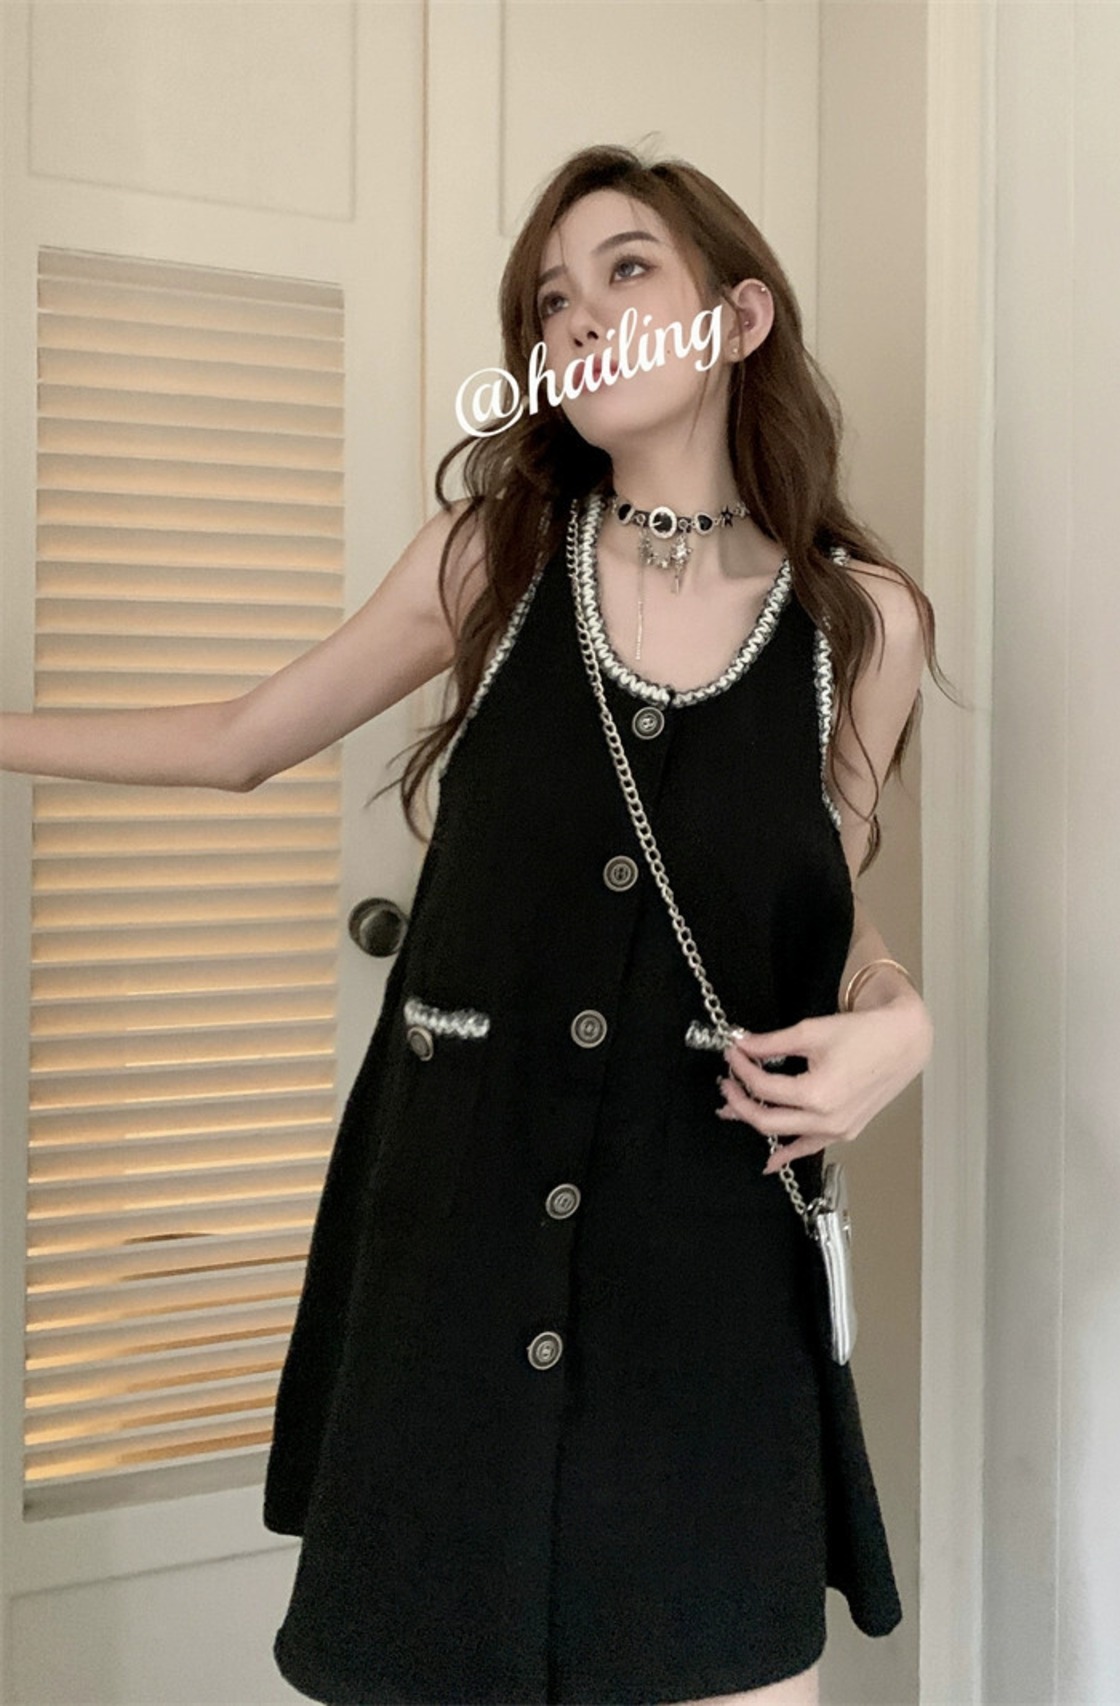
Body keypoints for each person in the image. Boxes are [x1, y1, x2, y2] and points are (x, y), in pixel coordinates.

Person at [1, 145, 955, 1706]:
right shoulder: (490, 563)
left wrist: (901, 1018)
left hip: (706, 1268)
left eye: (628, 270)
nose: (579, 317)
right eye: (551, 300)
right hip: (455, 1237)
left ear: (739, 317)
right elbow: (239, 739)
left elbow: (828, 905)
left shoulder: (863, 622)